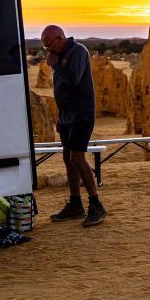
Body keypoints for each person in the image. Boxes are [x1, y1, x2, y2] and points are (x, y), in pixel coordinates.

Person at [42, 25, 106, 227]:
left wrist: (56, 66)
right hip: (67, 117)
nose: (48, 50)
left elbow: (74, 80)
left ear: (60, 39)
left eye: (49, 45)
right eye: (45, 47)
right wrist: (60, 117)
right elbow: (61, 90)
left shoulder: (78, 51)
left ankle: (96, 205)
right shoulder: (59, 55)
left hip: (82, 115)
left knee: (77, 158)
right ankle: (75, 204)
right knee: (67, 159)